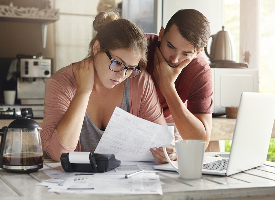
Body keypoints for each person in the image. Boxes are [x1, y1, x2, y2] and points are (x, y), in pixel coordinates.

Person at [40, 12, 175, 162]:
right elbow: (59, 153)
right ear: (97, 48)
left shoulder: (140, 81)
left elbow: (163, 141)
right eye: (117, 63)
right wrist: (83, 92)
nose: (122, 75)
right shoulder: (61, 83)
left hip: (126, 181)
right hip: (76, 183)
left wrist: (169, 152)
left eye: (130, 68)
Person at [147, 9, 213, 163]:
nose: (175, 59)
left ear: (198, 52)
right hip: (127, 117)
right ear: (161, 34)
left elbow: (201, 142)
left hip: (170, 123)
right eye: (170, 46)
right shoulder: (138, 48)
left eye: (186, 53)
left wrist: (168, 86)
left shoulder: (200, 71)